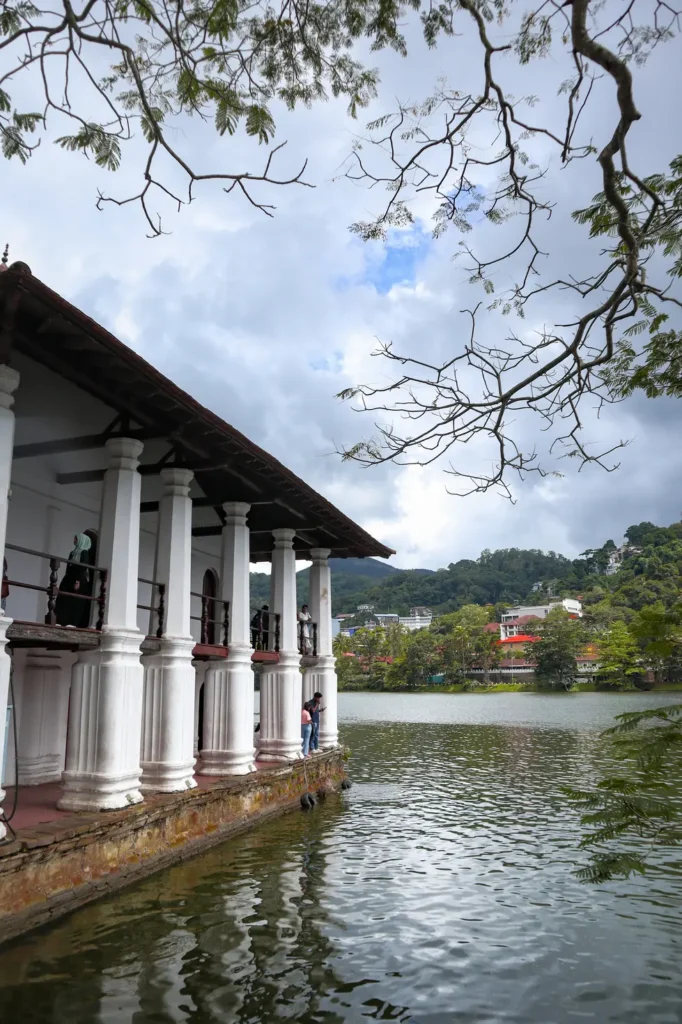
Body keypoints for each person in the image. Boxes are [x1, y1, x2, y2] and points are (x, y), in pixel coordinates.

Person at [55, 533, 93, 628]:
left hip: (79, 579)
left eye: (76, 539)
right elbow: (68, 567)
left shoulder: (84, 553)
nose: (74, 540)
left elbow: (83, 568)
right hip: (69, 578)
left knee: (75, 601)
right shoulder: (72, 553)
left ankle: (72, 622)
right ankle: (60, 620)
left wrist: (77, 581)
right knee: (63, 598)